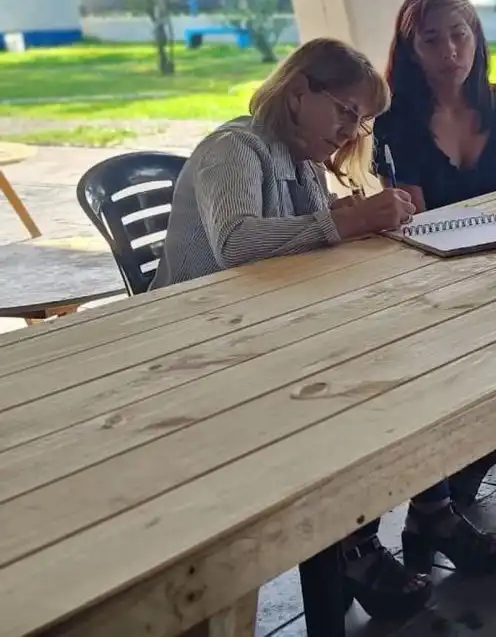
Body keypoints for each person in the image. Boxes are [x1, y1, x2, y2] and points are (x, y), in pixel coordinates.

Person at [151, 38, 461, 621]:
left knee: (393, 351)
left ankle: (412, 511)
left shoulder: (302, 162)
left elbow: (309, 246)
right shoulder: (234, 149)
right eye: (346, 111)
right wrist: (347, 221)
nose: (351, 131)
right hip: (193, 344)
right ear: (298, 93)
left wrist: (360, 221)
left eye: (362, 121)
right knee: (342, 387)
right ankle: (352, 542)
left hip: (261, 326)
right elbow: (239, 244)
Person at [373, 0, 496, 497]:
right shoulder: (395, 123)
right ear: (412, 52)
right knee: (464, 334)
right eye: (432, 41)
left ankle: (487, 450)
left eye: (459, 35)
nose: (450, 52)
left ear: (477, 39)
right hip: (430, 277)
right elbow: (412, 220)